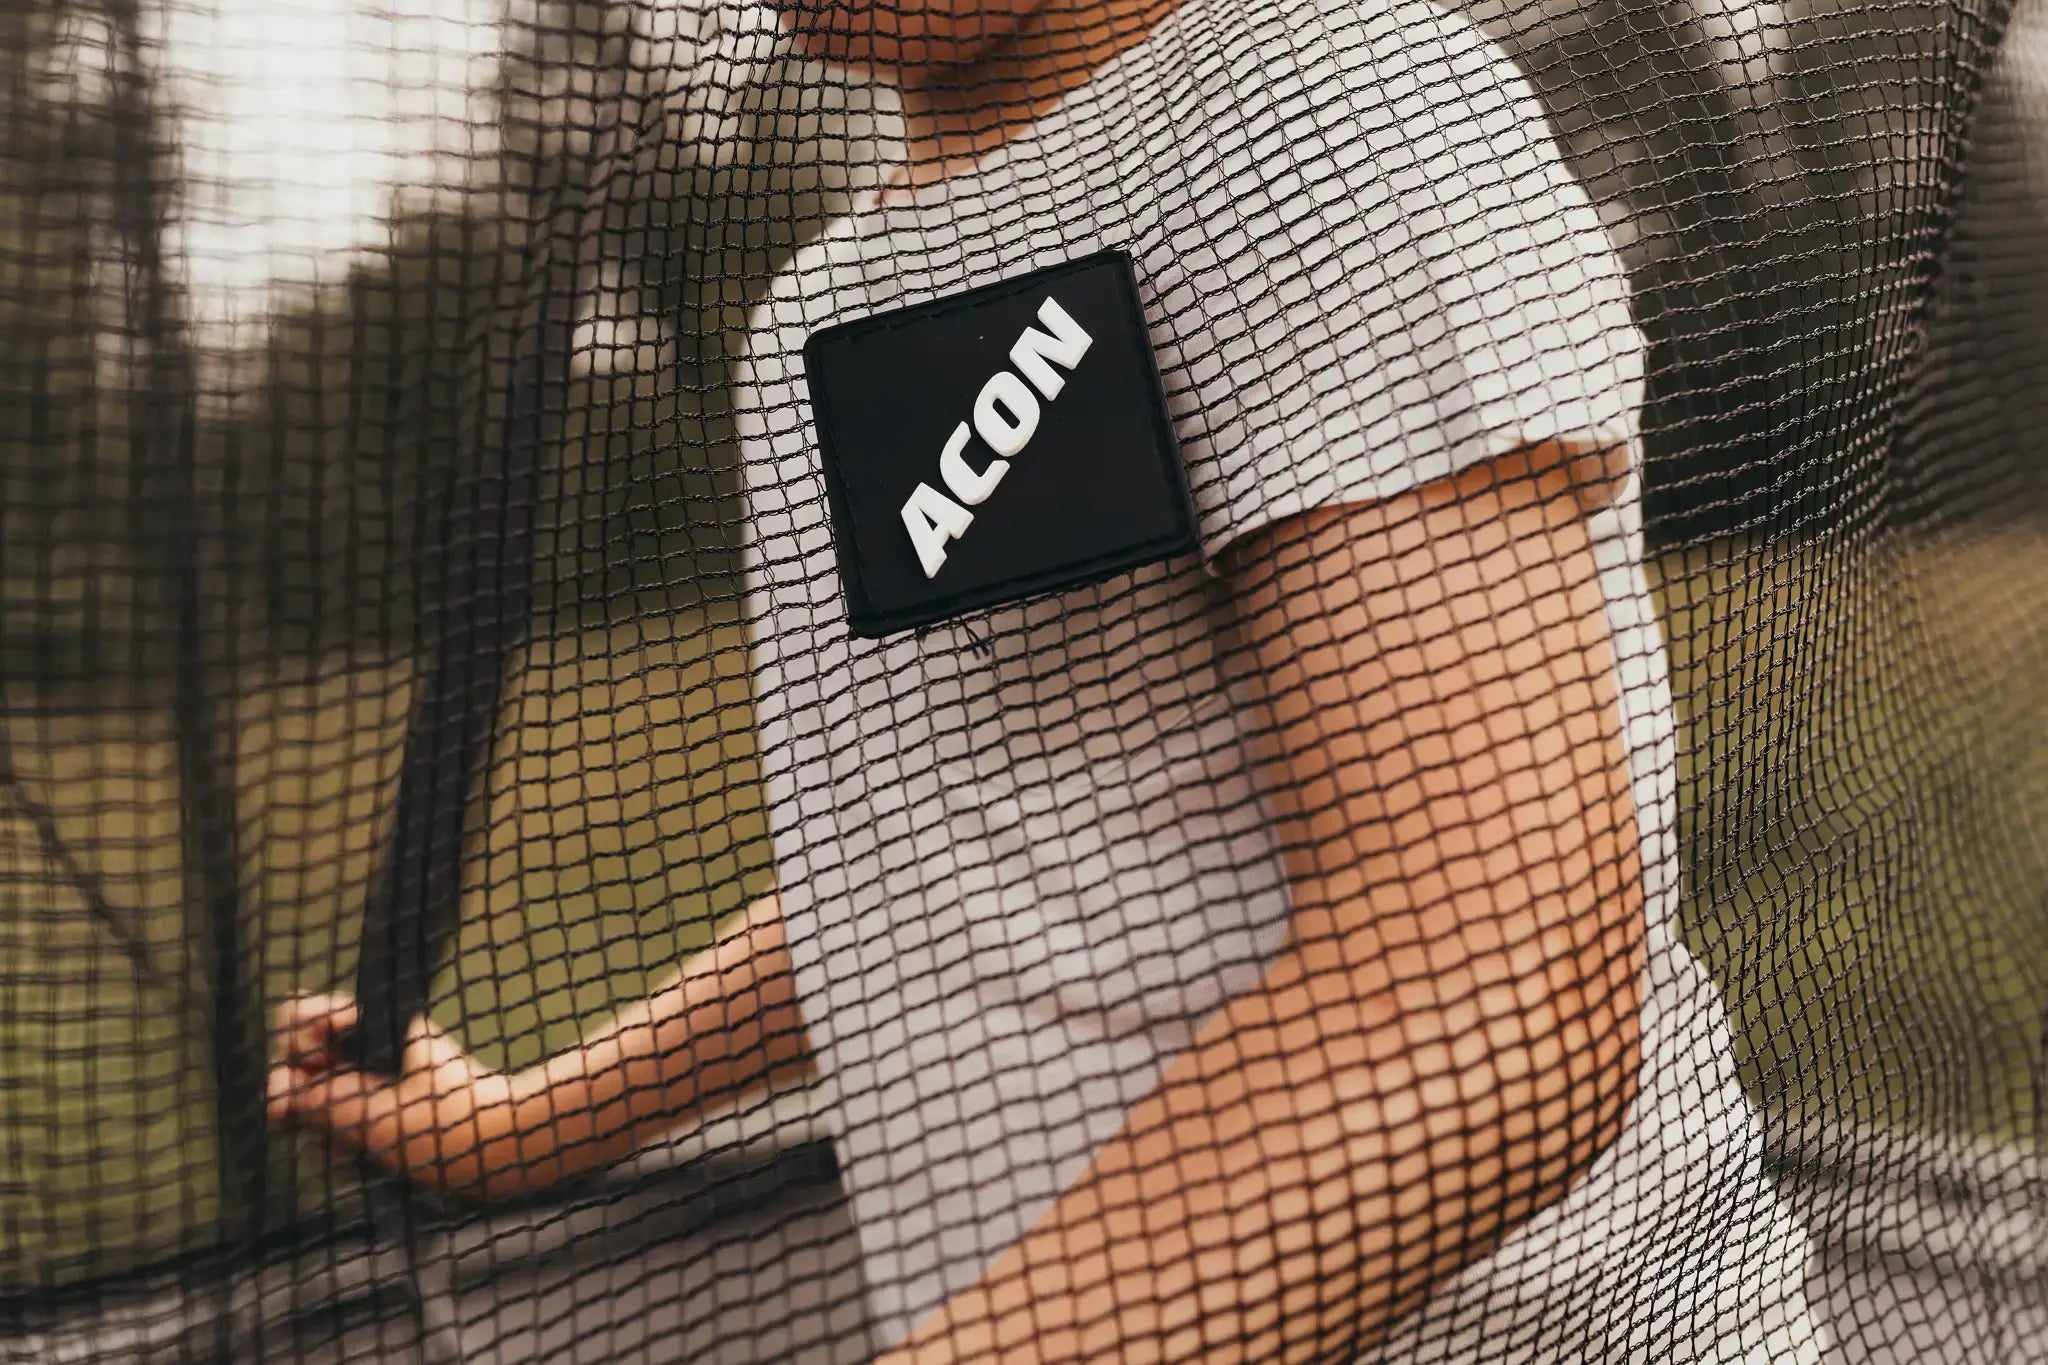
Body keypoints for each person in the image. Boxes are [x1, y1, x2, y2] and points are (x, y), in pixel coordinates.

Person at [269, 0, 1831, 1358]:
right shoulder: (824, 311)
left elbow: (1482, 1000)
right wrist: (534, 1124)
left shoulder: (1322, 118)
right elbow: (937, 878)